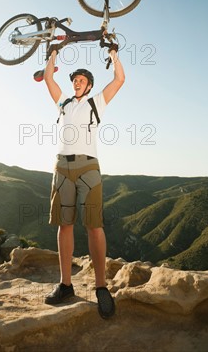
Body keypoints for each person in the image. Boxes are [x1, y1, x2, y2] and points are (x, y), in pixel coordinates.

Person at [43, 46, 124, 319]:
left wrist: (113, 54)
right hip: (62, 166)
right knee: (64, 225)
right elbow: (48, 79)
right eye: (74, 79)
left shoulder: (95, 103)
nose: (76, 82)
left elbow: (120, 80)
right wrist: (53, 54)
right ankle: (66, 284)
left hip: (89, 167)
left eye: (81, 80)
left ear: (89, 85)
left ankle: (101, 287)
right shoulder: (64, 104)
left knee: (94, 226)